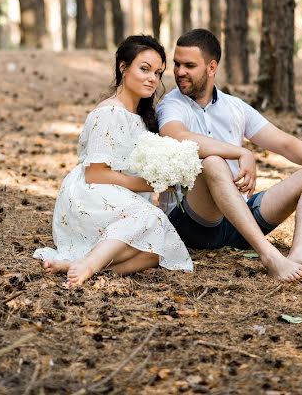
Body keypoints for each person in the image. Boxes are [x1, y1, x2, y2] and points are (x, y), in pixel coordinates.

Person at [156, 28, 302, 282]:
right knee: (212, 163)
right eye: (176, 64)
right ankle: (269, 256)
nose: (179, 72)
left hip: (239, 219)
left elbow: (283, 142)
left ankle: (299, 252)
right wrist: (241, 152)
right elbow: (176, 136)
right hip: (194, 220)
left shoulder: (235, 107)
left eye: (189, 65)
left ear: (211, 67)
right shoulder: (172, 104)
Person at [34, 35, 193, 287]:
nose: (153, 78)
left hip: (121, 196)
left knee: (156, 251)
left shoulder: (142, 118)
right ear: (123, 67)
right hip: (92, 195)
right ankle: (88, 264)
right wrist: (147, 185)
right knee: (151, 219)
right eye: (144, 69)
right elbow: (95, 174)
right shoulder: (108, 112)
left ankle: (87, 265)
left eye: (158, 73)